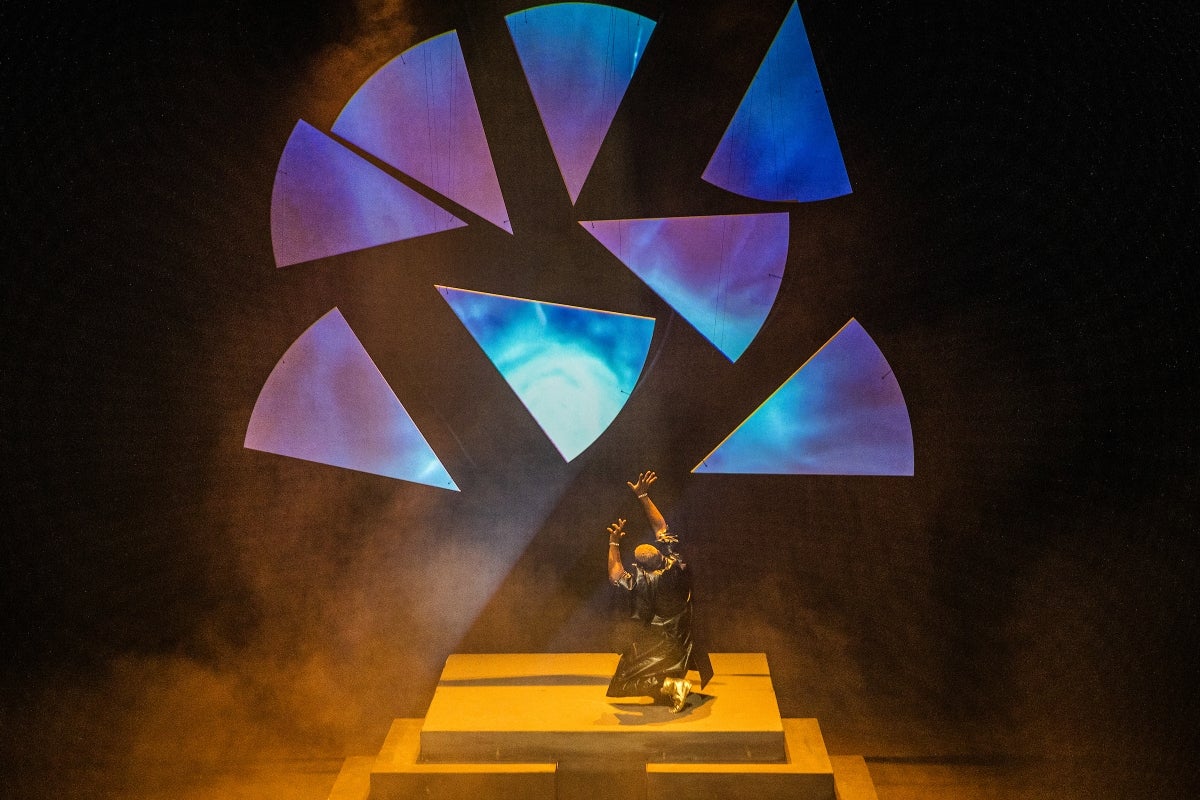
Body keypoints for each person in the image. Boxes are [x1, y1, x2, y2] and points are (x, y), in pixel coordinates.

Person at [605, 470, 711, 712]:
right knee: (658, 672)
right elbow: (662, 527)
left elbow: (615, 575)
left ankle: (673, 686)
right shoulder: (676, 563)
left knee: (624, 681)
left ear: (641, 566)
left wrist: (613, 543)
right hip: (681, 636)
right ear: (661, 555)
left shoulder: (641, 582)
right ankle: (669, 687)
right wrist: (643, 496)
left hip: (656, 641)